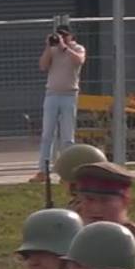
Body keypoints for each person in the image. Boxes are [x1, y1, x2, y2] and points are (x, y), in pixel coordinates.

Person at [37, 25, 87, 183]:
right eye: (59, 36)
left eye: (64, 35)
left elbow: (79, 61)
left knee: (67, 137)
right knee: (47, 135)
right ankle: (43, 171)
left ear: (71, 36)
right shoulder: (53, 50)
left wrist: (64, 47)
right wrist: (48, 47)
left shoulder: (77, 48)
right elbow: (43, 66)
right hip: (52, 94)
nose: (61, 38)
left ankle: (67, 172)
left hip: (69, 95)